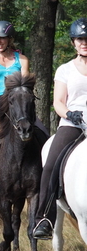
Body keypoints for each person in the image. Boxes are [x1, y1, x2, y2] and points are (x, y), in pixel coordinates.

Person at [0, 20, 48, 203]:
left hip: (20, 108)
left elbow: (26, 84)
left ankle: (47, 180)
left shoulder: (22, 60)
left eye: (2, 38)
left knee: (44, 134)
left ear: (10, 40)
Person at [33, 18, 87, 239]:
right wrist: (70, 114)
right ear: (73, 42)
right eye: (80, 39)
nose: (84, 43)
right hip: (73, 123)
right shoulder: (65, 70)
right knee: (51, 163)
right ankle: (44, 218)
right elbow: (58, 103)